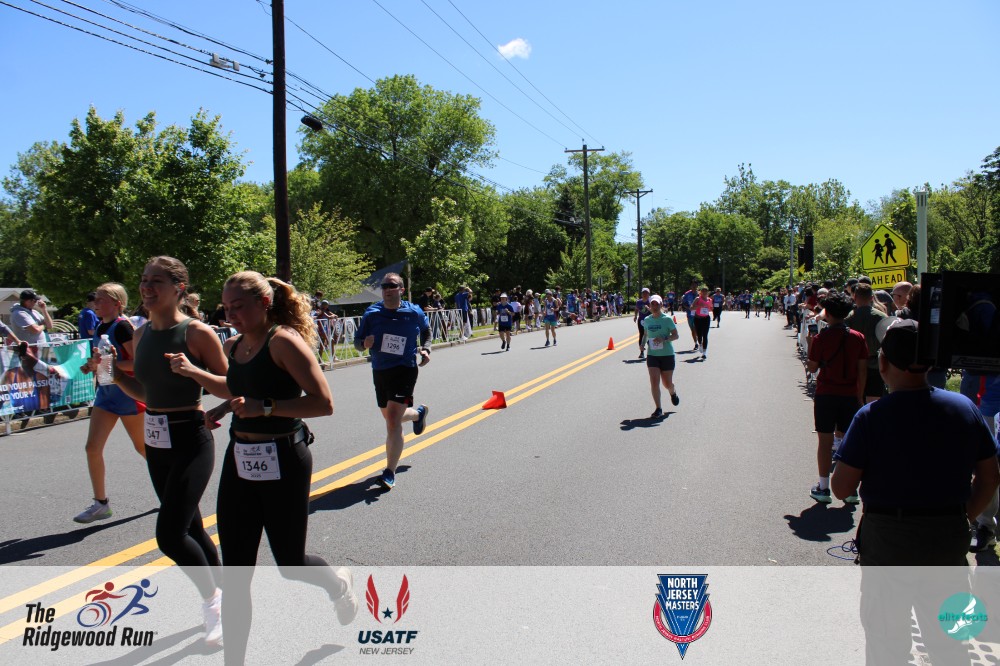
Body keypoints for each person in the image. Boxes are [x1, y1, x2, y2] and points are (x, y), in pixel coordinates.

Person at [197, 272, 359, 664]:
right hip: (241, 461)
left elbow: (323, 403)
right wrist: (224, 407)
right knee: (237, 576)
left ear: (264, 303)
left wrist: (266, 408)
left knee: (290, 563)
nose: (231, 315)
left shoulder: (284, 341)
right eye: (226, 307)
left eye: (239, 306)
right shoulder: (234, 345)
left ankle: (337, 584)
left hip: (284, 459)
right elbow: (244, 389)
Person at [832, 318, 1000, 665]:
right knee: (951, 643)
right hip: (947, 538)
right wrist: (965, 516)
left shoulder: (870, 417)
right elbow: (990, 477)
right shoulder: (963, 408)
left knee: (886, 642)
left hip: (887, 539)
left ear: (882, 363)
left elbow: (841, 487)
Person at [112, 256, 226, 647]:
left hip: (191, 437)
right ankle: (225, 595)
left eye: (156, 281)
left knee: (170, 536)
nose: (146, 287)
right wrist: (115, 376)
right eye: (144, 280)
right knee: (190, 527)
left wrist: (193, 372)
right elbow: (148, 394)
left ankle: (213, 602)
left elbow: (231, 384)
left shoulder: (196, 332)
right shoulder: (142, 334)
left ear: (178, 288)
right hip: (157, 439)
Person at [72, 283, 147, 524]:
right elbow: (102, 362)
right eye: (95, 299)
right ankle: (101, 503)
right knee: (92, 448)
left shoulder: (123, 327)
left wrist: (107, 365)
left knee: (143, 448)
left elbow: (137, 362)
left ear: (117, 303)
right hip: (105, 394)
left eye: (101, 299)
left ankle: (172, 487)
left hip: (128, 394)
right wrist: (92, 365)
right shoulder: (99, 327)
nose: (96, 303)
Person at [354, 273, 431, 490]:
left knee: (393, 422)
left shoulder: (413, 311)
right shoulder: (372, 313)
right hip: (380, 370)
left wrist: (426, 348)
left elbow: (426, 331)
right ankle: (418, 414)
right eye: (384, 286)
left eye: (392, 286)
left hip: (405, 369)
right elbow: (357, 342)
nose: (387, 289)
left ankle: (389, 472)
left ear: (401, 289)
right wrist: (364, 344)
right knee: (390, 417)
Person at [806, 290, 868, 504]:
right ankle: (850, 490)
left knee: (825, 442)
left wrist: (810, 343)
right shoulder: (858, 337)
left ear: (828, 313)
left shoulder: (821, 338)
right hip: (850, 395)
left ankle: (823, 487)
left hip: (826, 395)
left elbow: (812, 367)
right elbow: (862, 370)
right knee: (849, 443)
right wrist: (860, 396)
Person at [845, 283, 887, 403]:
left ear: (855, 297)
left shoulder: (849, 318)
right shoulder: (882, 317)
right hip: (876, 365)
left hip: (855, 365)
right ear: (872, 298)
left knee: (856, 399)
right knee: (874, 401)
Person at [642, 295, 680, 418]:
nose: (655, 306)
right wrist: (642, 345)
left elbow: (676, 335)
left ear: (661, 305)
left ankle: (672, 392)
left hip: (667, 355)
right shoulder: (647, 320)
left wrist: (664, 338)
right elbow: (645, 334)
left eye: (657, 304)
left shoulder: (667, 319)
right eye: (652, 304)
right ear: (650, 305)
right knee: (654, 382)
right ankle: (658, 408)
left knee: (667, 383)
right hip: (652, 355)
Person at [10, 289, 54, 354]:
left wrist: (44, 310)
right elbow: (35, 330)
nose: (36, 303)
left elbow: (50, 325)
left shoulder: (34, 312)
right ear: (27, 301)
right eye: (34, 301)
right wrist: (44, 326)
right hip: (28, 350)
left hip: (40, 348)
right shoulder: (19, 313)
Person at [691, 287, 713, 360]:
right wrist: (699, 306)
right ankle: (700, 343)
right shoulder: (697, 299)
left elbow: (711, 308)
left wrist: (710, 308)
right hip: (698, 318)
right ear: (700, 292)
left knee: (705, 335)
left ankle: (704, 353)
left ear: (708, 293)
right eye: (703, 291)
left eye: (706, 291)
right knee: (699, 334)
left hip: (706, 318)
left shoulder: (709, 300)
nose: (704, 293)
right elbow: (691, 307)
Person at [680, 281, 699, 349]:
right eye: (692, 285)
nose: (694, 287)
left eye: (695, 285)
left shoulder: (699, 294)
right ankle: (696, 343)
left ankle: (698, 340)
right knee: (692, 330)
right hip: (690, 314)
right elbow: (683, 303)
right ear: (691, 286)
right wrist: (688, 308)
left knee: (696, 329)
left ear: (697, 286)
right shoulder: (687, 294)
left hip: (698, 314)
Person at [633, 288, 651, 359]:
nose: (645, 294)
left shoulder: (650, 301)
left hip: (649, 321)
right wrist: (635, 316)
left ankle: (651, 351)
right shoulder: (639, 302)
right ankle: (642, 352)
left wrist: (649, 308)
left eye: (646, 293)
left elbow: (654, 311)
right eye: (643, 293)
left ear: (649, 294)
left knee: (649, 335)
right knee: (641, 335)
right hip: (641, 320)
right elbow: (636, 309)